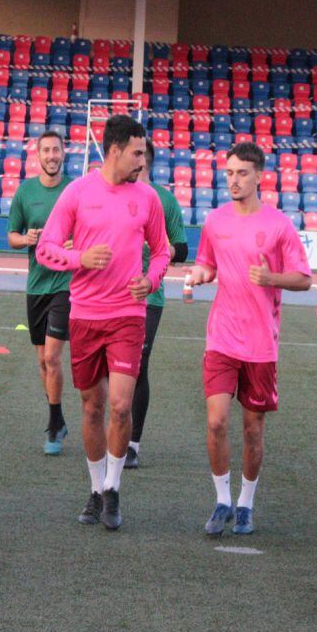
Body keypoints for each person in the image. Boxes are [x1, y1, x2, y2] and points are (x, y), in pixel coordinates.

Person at [36, 114, 169, 530]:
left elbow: (163, 251)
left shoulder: (146, 198)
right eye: (136, 152)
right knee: (92, 407)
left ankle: (113, 489)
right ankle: (95, 491)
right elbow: (45, 248)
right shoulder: (78, 193)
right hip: (86, 315)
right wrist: (80, 259)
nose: (142, 160)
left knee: (120, 404)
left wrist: (152, 279)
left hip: (128, 316)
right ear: (114, 150)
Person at [188, 142, 311, 535]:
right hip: (221, 337)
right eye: (229, 173)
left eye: (242, 173)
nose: (234, 180)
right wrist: (200, 274)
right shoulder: (215, 221)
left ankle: (246, 503)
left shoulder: (278, 225)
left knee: (252, 430)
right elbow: (207, 262)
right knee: (216, 421)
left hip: (261, 343)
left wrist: (271, 278)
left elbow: (304, 279)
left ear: (260, 176)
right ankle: (222, 499)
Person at [6, 130, 73, 454]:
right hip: (36, 286)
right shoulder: (25, 192)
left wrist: (74, 244)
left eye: (55, 150)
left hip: (65, 285)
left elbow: (86, 230)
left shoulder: (74, 190)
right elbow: (12, 237)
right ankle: (57, 420)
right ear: (38, 155)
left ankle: (53, 423)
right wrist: (27, 239)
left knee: (52, 356)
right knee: (42, 363)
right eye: (45, 150)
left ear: (64, 153)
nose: (51, 156)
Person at [125, 137, 189, 469]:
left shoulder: (164, 200)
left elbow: (182, 247)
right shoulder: (117, 193)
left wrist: (162, 247)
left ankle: (133, 443)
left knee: (138, 365)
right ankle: (116, 433)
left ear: (144, 160)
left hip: (151, 296)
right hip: (113, 295)